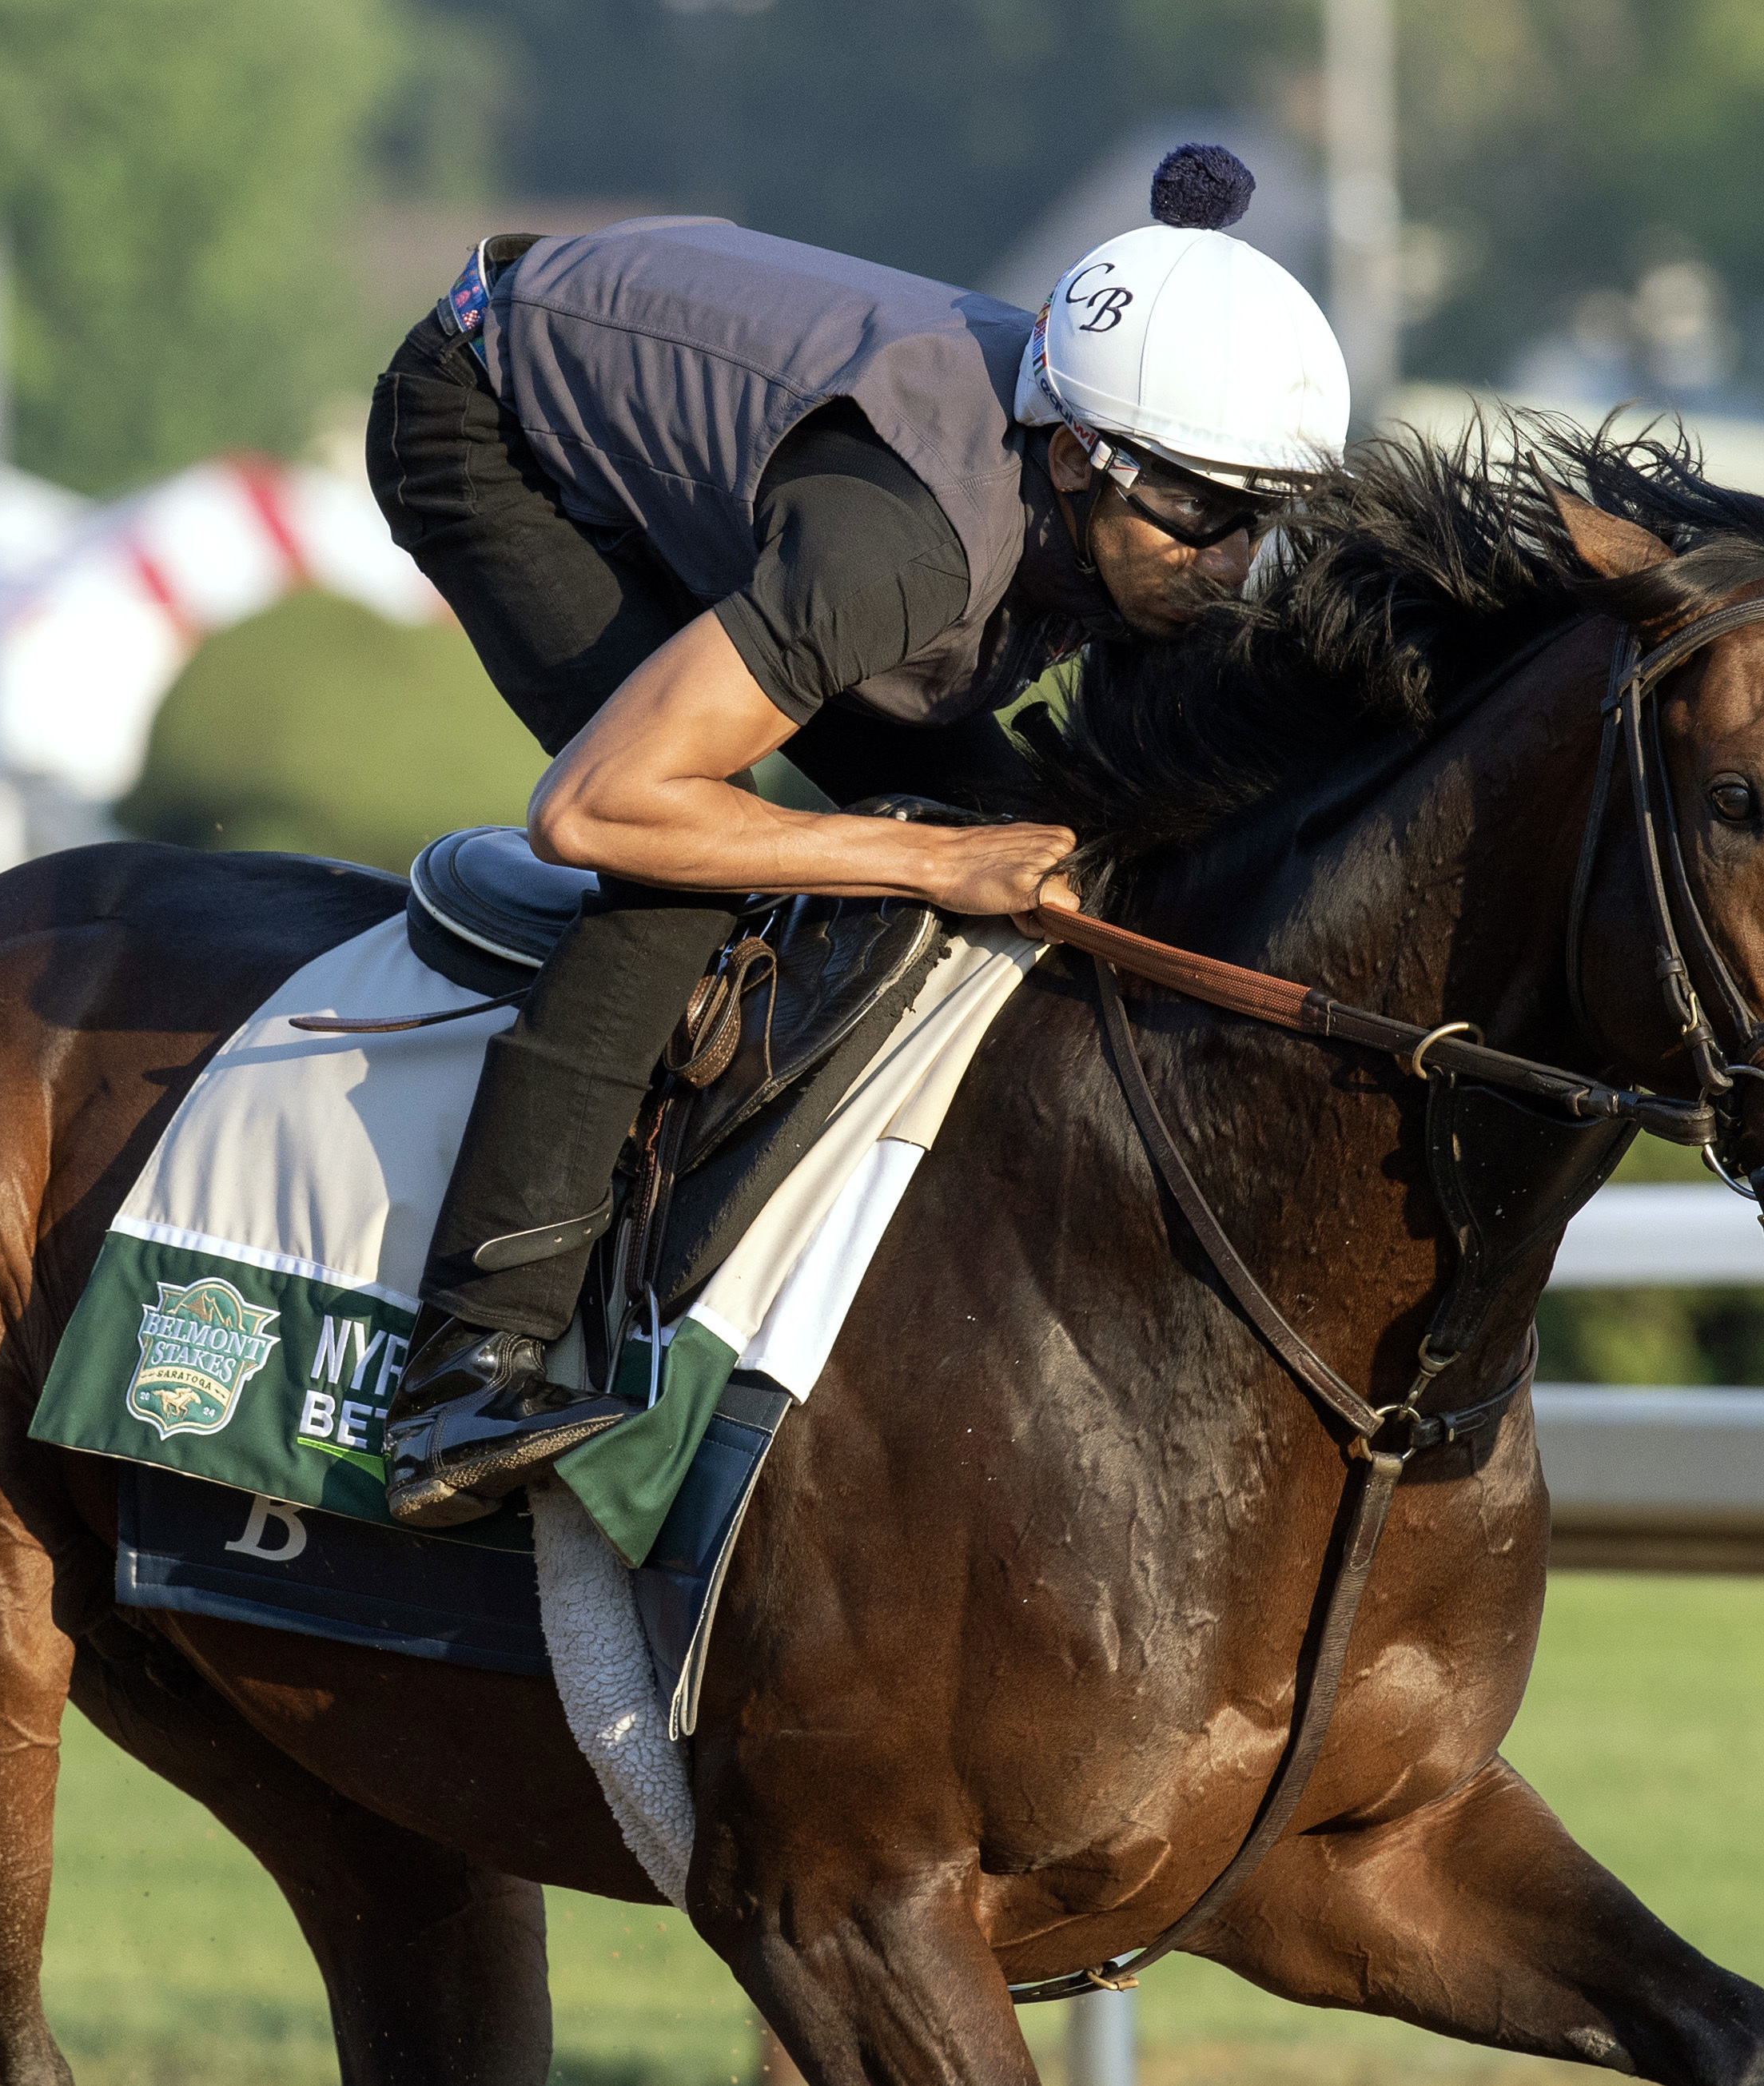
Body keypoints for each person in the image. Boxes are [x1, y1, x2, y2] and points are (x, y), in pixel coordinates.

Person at [363, 143, 1348, 1528]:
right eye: (1201, 514)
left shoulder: (1106, 494)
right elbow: (595, 807)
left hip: (722, 437)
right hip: (491, 415)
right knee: (683, 858)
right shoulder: (906, 552)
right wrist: (929, 863)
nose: (1232, 559)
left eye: (1267, 521)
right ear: (1076, 454)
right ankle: (465, 1369)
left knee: (1024, 826)